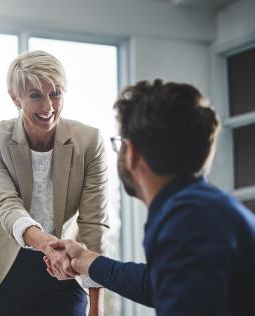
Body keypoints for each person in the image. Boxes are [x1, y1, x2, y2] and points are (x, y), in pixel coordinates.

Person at [48, 80, 255, 315]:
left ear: (132, 153)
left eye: (120, 144)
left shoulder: (186, 220)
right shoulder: (203, 208)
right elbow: (157, 283)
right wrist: (87, 260)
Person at [0, 50, 109, 316]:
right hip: (3, 270)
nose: (48, 106)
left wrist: (96, 306)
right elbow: (6, 204)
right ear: (14, 97)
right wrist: (47, 245)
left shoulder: (89, 142)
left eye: (56, 93)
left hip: (65, 269)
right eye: (35, 95)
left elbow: (93, 224)